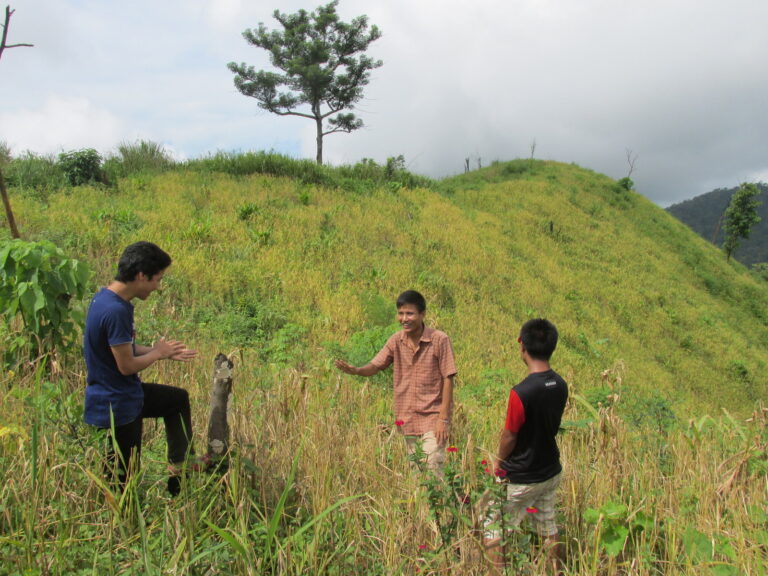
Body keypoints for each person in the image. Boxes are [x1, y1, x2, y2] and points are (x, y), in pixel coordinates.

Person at [83, 241, 199, 496]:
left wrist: (162, 351)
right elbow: (126, 366)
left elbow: (122, 349)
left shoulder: (104, 299)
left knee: (177, 400)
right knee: (123, 486)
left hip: (117, 396)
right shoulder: (115, 311)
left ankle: (179, 472)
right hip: (118, 407)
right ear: (141, 276)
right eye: (157, 279)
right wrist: (157, 354)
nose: (158, 287)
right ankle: (125, 529)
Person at [335, 290, 457, 475]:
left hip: (433, 418)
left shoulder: (439, 340)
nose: (404, 318)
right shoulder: (396, 341)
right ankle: (422, 505)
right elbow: (376, 365)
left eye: (410, 313)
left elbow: (448, 378)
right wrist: (357, 371)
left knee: (433, 470)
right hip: (407, 420)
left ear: (422, 314)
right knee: (417, 475)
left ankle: (439, 504)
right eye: (401, 313)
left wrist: (443, 419)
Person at [485, 318, 568, 574]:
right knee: (547, 527)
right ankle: (556, 570)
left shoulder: (522, 392)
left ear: (522, 346)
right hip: (550, 470)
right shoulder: (561, 384)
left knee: (492, 526)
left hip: (523, 475)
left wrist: (498, 462)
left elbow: (510, 435)